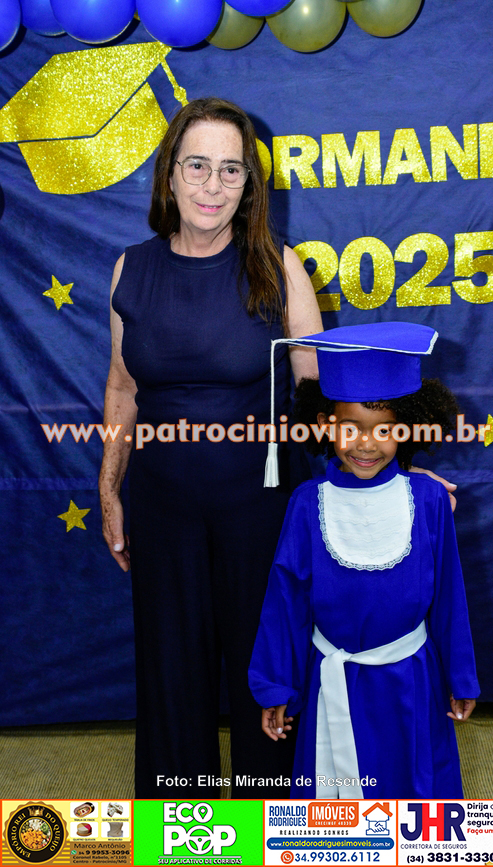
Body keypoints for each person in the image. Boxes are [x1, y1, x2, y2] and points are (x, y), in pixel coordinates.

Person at [98, 97, 323, 799]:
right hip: (161, 509)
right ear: (169, 174)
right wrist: (108, 488)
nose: (212, 185)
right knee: (172, 677)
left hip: (261, 511)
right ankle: (182, 829)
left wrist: (395, 478)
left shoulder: (279, 267)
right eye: (197, 165)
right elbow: (122, 387)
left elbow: (322, 397)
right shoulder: (130, 269)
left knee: (265, 678)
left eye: (231, 170)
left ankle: (271, 827)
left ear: (249, 185)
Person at [249, 322, 479, 799]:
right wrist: (275, 685)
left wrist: (460, 677)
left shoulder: (428, 500)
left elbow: (449, 597)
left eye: (384, 430)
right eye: (349, 428)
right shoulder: (307, 503)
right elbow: (286, 601)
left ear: (408, 427)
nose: (366, 444)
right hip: (333, 681)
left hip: (410, 683)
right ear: (325, 424)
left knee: (413, 801)